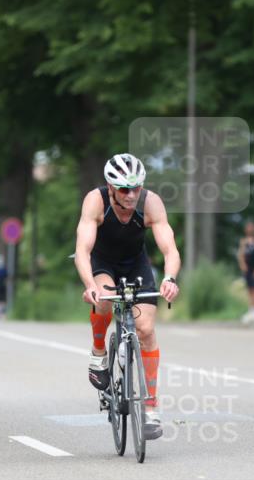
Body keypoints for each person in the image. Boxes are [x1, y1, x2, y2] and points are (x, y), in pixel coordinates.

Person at [74, 152, 181, 440]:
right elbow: (83, 250)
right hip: (103, 263)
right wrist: (90, 285)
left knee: (146, 329)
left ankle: (151, 406)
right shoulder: (95, 201)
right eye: (124, 189)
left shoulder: (151, 202)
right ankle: (99, 353)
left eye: (136, 187)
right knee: (105, 300)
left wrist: (170, 278)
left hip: (136, 263)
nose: (132, 194)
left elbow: (169, 249)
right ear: (111, 187)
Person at [236, 221, 254, 323]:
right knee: (250, 290)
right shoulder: (244, 241)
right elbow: (241, 254)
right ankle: (251, 310)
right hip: (247, 269)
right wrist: (243, 266)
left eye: (251, 228)